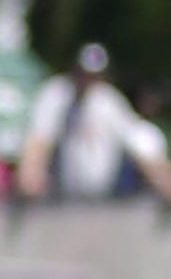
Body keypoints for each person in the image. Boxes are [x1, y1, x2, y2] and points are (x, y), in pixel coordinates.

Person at [16, 43, 171, 204]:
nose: (87, 80)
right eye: (83, 73)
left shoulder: (108, 101)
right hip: (60, 199)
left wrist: (162, 178)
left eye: (93, 75)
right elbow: (39, 139)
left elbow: (139, 142)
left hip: (101, 200)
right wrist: (31, 173)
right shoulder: (56, 94)